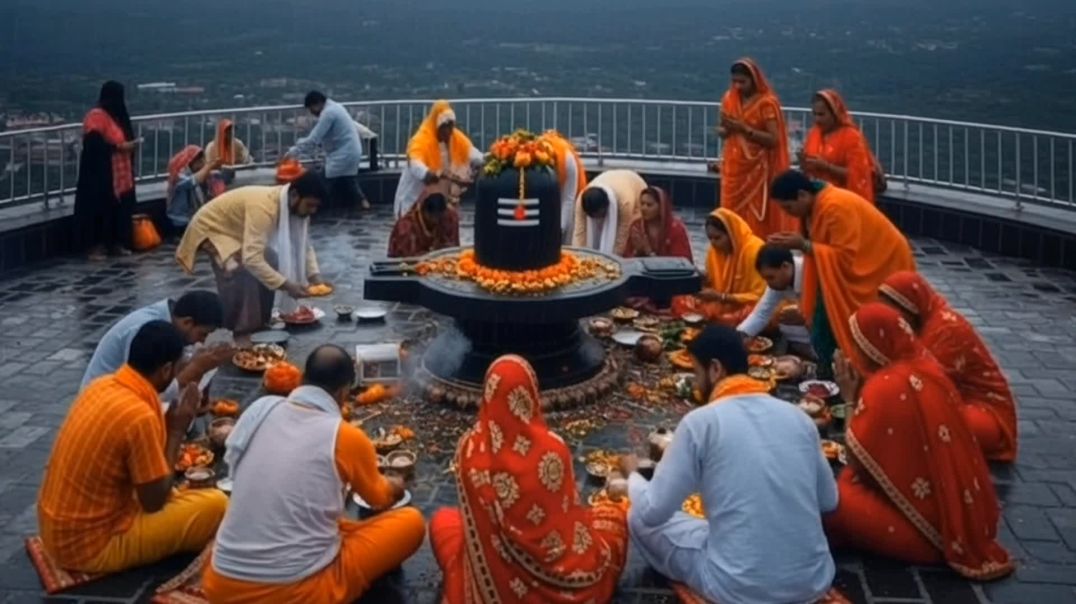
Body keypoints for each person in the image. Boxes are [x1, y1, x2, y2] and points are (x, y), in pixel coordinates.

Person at [624, 326, 841, 604]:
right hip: (813, 582)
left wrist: (634, 478)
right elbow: (829, 501)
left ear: (715, 369)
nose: (696, 384)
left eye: (697, 374)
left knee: (637, 518)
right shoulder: (798, 417)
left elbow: (653, 512)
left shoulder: (701, 422)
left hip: (737, 588)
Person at [204, 345, 425, 603]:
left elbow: (238, 466)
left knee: (336, 524)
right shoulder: (346, 436)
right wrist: (396, 483)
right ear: (344, 392)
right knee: (411, 523)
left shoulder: (259, 408)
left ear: (301, 378)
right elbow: (379, 498)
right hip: (294, 591)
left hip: (219, 584)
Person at [825, 303, 1013, 580]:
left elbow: (854, 456)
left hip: (932, 538)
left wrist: (851, 396)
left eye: (858, 343)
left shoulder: (886, 385)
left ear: (873, 344)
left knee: (831, 504)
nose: (855, 352)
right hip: (961, 518)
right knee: (849, 480)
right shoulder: (927, 367)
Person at [428, 355, 629, 604]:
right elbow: (569, 517)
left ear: (488, 395)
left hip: (498, 588)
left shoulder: (471, 451)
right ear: (531, 393)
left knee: (442, 523)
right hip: (571, 585)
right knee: (612, 516)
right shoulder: (554, 450)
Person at [38, 321, 228, 573]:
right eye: (180, 367)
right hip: (90, 547)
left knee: (188, 492)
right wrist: (176, 429)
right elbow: (154, 502)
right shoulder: (138, 415)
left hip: (55, 531)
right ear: (166, 369)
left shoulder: (101, 385)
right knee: (215, 505)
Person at [768, 170, 915, 376]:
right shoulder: (815, 206)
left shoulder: (835, 207)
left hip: (881, 263)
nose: (788, 214)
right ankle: (832, 372)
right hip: (851, 266)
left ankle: (847, 373)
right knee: (824, 320)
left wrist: (804, 245)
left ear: (802, 195)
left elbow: (846, 257)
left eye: (788, 207)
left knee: (859, 324)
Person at [176, 171, 331, 342]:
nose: (312, 211)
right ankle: (243, 331)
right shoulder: (264, 207)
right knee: (239, 271)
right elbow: (252, 259)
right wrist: (287, 285)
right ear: (294, 195)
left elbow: (303, 246)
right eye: (310, 205)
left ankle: (261, 323)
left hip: (235, 231)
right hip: (212, 229)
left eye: (316, 207)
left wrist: (315, 277)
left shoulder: (296, 207)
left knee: (270, 259)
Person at [879, 271, 1018, 462]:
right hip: (953, 402)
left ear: (912, 307)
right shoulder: (921, 324)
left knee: (924, 426)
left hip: (986, 414)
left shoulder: (946, 330)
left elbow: (920, 385)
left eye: (896, 313)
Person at [81, 290, 231, 395]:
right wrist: (196, 369)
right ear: (187, 322)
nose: (202, 341)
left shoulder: (172, 320)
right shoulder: (145, 329)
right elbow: (143, 388)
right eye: (202, 334)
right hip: (107, 396)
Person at [718, 58, 795, 238]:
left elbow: (773, 139)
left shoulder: (766, 103)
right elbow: (724, 132)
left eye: (742, 82)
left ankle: (756, 251)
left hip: (759, 171)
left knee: (756, 215)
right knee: (730, 213)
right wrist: (725, 129)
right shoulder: (729, 99)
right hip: (734, 166)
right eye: (734, 81)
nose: (738, 86)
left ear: (754, 80)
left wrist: (745, 129)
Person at [73, 80, 140, 260]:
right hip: (100, 174)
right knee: (99, 209)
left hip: (121, 174)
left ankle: (117, 243)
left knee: (119, 208)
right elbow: (93, 143)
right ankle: (95, 247)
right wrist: (118, 147)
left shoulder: (118, 117)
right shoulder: (96, 116)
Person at [393, 100, 484, 218]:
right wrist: (427, 174)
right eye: (446, 126)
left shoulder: (455, 138)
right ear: (437, 126)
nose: (450, 131)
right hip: (413, 202)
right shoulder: (421, 140)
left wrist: (490, 161)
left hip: (437, 204)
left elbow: (472, 153)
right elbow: (415, 162)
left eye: (452, 126)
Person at [682, 208, 767, 326]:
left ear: (732, 233)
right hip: (722, 303)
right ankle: (717, 320)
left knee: (757, 313)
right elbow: (713, 283)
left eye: (717, 238)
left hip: (745, 305)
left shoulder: (755, 250)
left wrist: (722, 297)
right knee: (681, 297)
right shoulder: (714, 251)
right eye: (710, 238)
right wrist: (702, 279)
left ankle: (718, 321)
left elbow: (760, 296)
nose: (713, 243)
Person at [286, 91, 368, 209]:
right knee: (350, 181)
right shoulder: (336, 107)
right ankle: (363, 204)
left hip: (343, 154)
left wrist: (292, 152)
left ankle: (314, 207)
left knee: (322, 183)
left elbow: (314, 139)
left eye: (311, 109)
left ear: (317, 104)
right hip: (351, 150)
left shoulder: (328, 114)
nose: (312, 113)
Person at [800, 89, 880, 204]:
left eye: (822, 114)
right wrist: (805, 165)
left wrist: (827, 167)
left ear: (835, 113)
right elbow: (811, 170)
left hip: (844, 202)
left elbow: (859, 175)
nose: (817, 119)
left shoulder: (852, 138)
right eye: (814, 114)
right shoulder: (814, 134)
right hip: (818, 199)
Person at [736, 244, 812, 349]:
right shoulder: (778, 281)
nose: (769, 284)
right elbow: (761, 314)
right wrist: (740, 336)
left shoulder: (811, 273)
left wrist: (806, 316)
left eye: (771, 277)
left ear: (785, 266)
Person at [572, 169, 646, 256]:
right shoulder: (581, 202)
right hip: (613, 181)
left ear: (606, 207)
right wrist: (577, 257)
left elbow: (622, 236)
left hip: (635, 186)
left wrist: (611, 261)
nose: (598, 219)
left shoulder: (625, 202)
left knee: (630, 238)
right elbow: (579, 233)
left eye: (600, 215)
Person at [542, 130, 589, 244]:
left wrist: (560, 229)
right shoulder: (535, 161)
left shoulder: (567, 160)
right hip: (549, 195)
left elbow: (568, 199)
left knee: (568, 228)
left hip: (572, 192)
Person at [623, 187, 693, 261]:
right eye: (642, 203)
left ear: (661, 207)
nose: (644, 208)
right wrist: (637, 252)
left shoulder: (676, 229)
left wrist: (649, 253)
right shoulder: (637, 226)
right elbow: (626, 258)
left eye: (649, 205)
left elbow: (682, 263)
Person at [165, 145, 226, 229]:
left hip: (194, 217)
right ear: (191, 163)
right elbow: (193, 180)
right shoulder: (178, 177)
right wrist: (209, 166)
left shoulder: (201, 175)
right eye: (199, 161)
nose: (203, 163)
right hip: (180, 220)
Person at [387, 188, 459, 258]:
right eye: (431, 217)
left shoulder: (449, 218)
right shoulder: (405, 227)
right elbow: (404, 258)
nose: (435, 221)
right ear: (423, 210)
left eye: (438, 217)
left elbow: (453, 250)